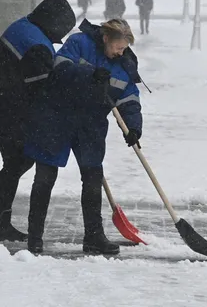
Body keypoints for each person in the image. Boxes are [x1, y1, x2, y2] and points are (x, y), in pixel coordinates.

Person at [24, 18, 143, 255]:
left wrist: (133, 128)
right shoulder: (79, 43)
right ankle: (35, 237)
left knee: (92, 178)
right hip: (57, 117)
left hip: (91, 125)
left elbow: (129, 100)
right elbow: (60, 69)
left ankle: (93, 237)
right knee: (45, 177)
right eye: (118, 47)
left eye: (124, 49)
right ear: (106, 38)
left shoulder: (124, 65)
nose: (120, 53)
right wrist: (90, 74)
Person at [0, 0, 76, 242]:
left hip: (6, 104)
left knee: (15, 164)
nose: (61, 38)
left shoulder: (21, 26)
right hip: (11, 111)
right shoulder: (38, 46)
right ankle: (1, 221)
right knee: (17, 163)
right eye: (62, 30)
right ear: (53, 22)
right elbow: (40, 91)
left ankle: (2, 219)